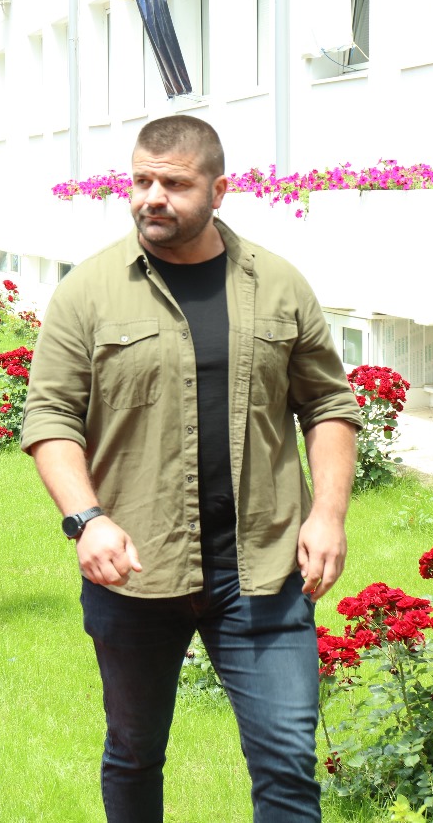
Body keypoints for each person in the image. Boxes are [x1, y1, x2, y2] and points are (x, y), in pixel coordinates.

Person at [21, 115, 361, 822]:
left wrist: (328, 515)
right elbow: (50, 417)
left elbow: (328, 404)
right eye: (141, 180)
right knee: (134, 751)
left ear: (219, 189)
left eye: (174, 183)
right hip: (135, 567)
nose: (152, 197)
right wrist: (87, 519)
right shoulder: (88, 291)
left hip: (263, 567)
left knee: (287, 762)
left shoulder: (278, 285)